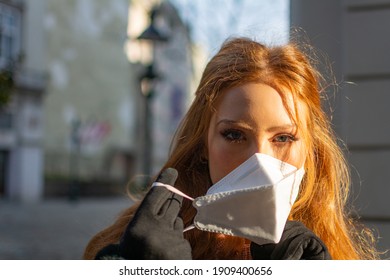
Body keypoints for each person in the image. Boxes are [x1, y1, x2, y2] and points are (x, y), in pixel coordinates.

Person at [83, 37, 379, 260]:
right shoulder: (137, 244)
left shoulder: (331, 252)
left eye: (283, 138)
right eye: (235, 135)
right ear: (203, 144)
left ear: (310, 152)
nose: (260, 160)